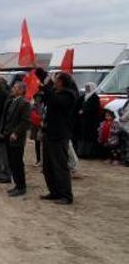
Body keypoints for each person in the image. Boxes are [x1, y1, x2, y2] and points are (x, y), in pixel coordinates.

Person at [40, 72, 78, 205]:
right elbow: (49, 100)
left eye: (56, 80)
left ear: (61, 82)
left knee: (60, 166)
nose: (54, 82)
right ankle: (54, 192)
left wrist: (46, 87)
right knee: (48, 166)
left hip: (59, 135)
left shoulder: (69, 95)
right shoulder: (55, 93)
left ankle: (66, 195)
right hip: (49, 133)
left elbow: (55, 100)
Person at [1, 81, 32, 197]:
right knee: (12, 163)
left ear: (21, 90)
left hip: (16, 138)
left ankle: (21, 187)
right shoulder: (14, 100)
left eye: (14, 87)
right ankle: (17, 185)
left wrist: (16, 132)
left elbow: (25, 121)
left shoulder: (24, 103)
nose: (12, 89)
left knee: (17, 163)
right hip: (9, 136)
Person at [76, 82, 101, 158]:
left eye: (88, 87)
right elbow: (78, 105)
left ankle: (88, 153)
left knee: (89, 137)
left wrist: (85, 111)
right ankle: (81, 152)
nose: (87, 88)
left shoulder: (95, 97)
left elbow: (95, 108)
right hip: (83, 120)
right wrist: (79, 110)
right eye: (86, 87)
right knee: (82, 136)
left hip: (91, 121)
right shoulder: (84, 96)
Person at [30, 94, 45, 166]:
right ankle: (38, 159)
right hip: (35, 126)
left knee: (42, 144)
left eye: (39, 97)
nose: (38, 99)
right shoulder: (33, 106)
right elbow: (31, 114)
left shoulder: (44, 105)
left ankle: (42, 160)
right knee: (37, 144)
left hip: (42, 126)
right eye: (36, 97)